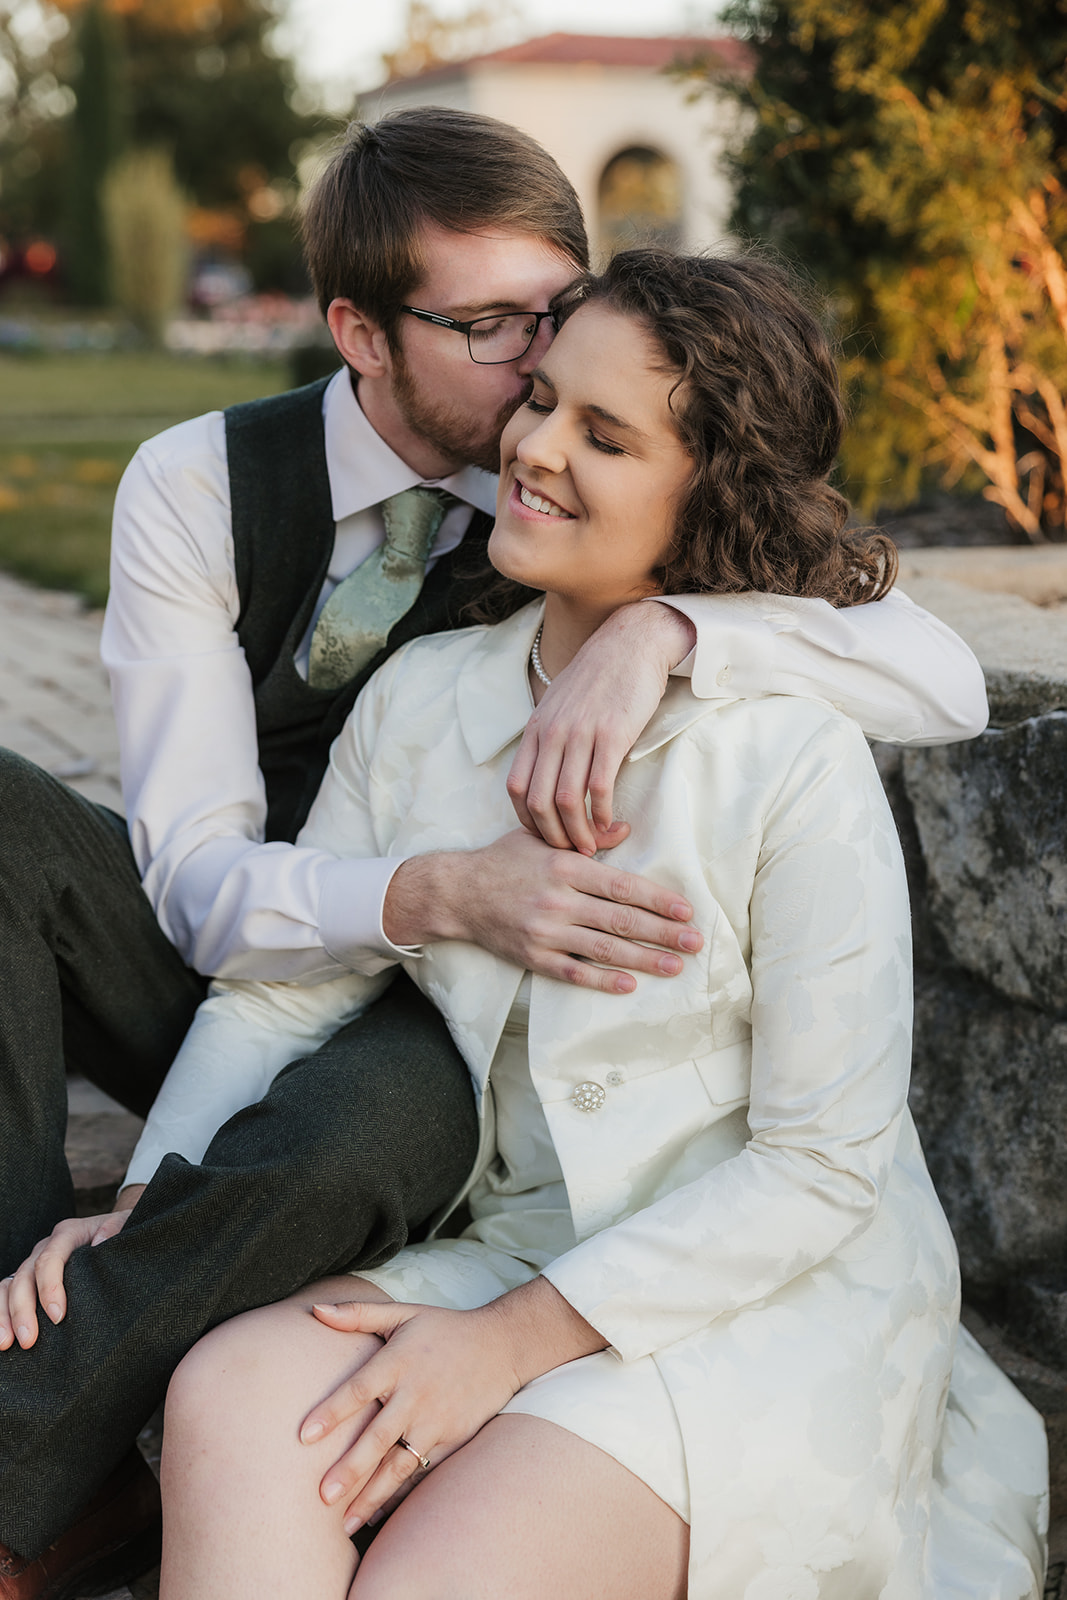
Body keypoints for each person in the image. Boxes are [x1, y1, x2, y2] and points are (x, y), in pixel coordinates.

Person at [0, 111, 988, 1594]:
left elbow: (818, 1162)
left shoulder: (775, 737)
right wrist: (142, 1203)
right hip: (369, 1028)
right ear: (360, 333)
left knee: (373, 1177)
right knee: (228, 1383)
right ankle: (43, 1363)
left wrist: (669, 625)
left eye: (585, 390)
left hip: (669, 1228)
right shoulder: (258, 537)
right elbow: (229, 937)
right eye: (501, 342)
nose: (535, 407)